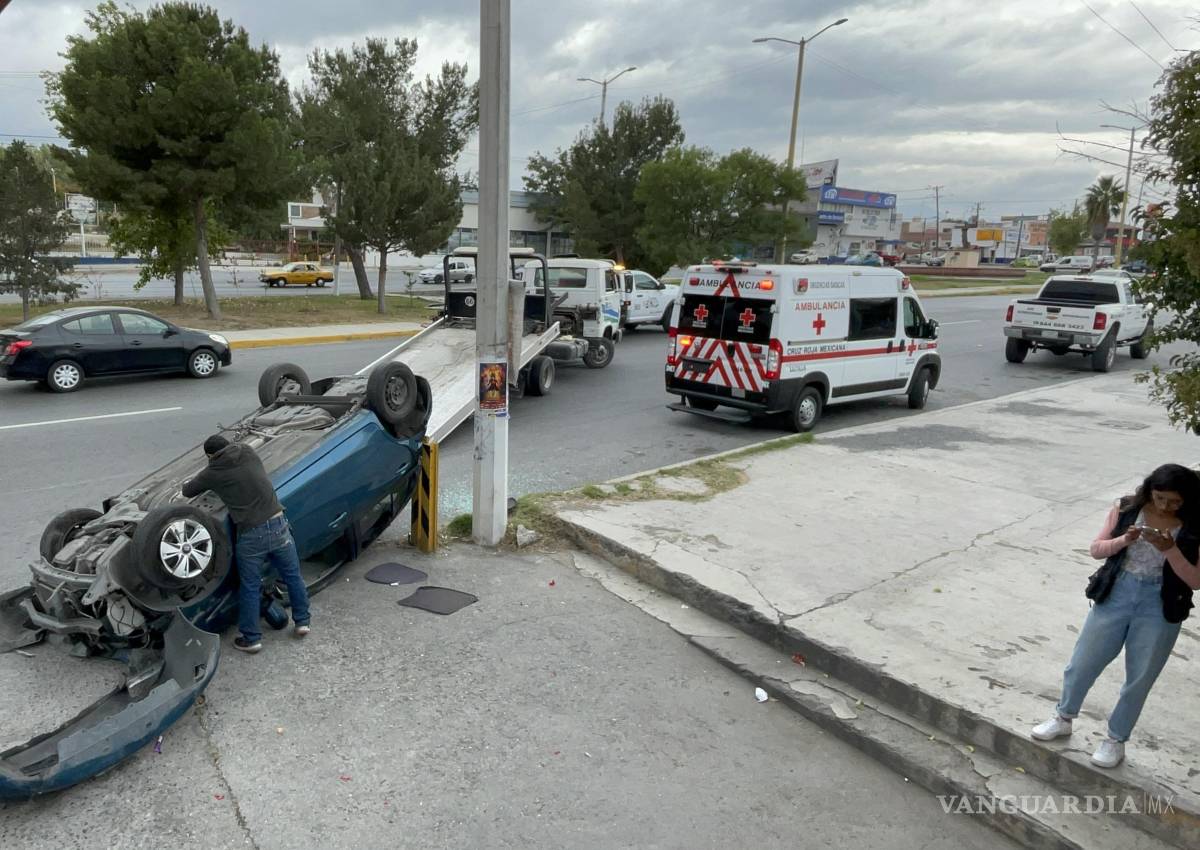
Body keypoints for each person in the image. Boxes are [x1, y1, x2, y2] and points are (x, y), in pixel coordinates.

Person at [1031, 464, 1200, 767]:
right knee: (1082, 662)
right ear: (1150, 490)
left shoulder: (1195, 524)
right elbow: (1097, 549)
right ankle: (1063, 716)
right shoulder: (1126, 509)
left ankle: (1115, 740)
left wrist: (1170, 550)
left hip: (1161, 604)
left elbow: (1196, 580)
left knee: (1140, 677)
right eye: (1160, 498)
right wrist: (1125, 540)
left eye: (1175, 501)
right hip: (1117, 592)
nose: (1165, 506)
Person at [182, 434, 311, 653]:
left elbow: (187, 490)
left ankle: (252, 639)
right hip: (279, 523)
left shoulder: (212, 472)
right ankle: (302, 622)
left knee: (250, 586)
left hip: (252, 533)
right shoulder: (248, 453)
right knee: (292, 576)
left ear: (210, 456)